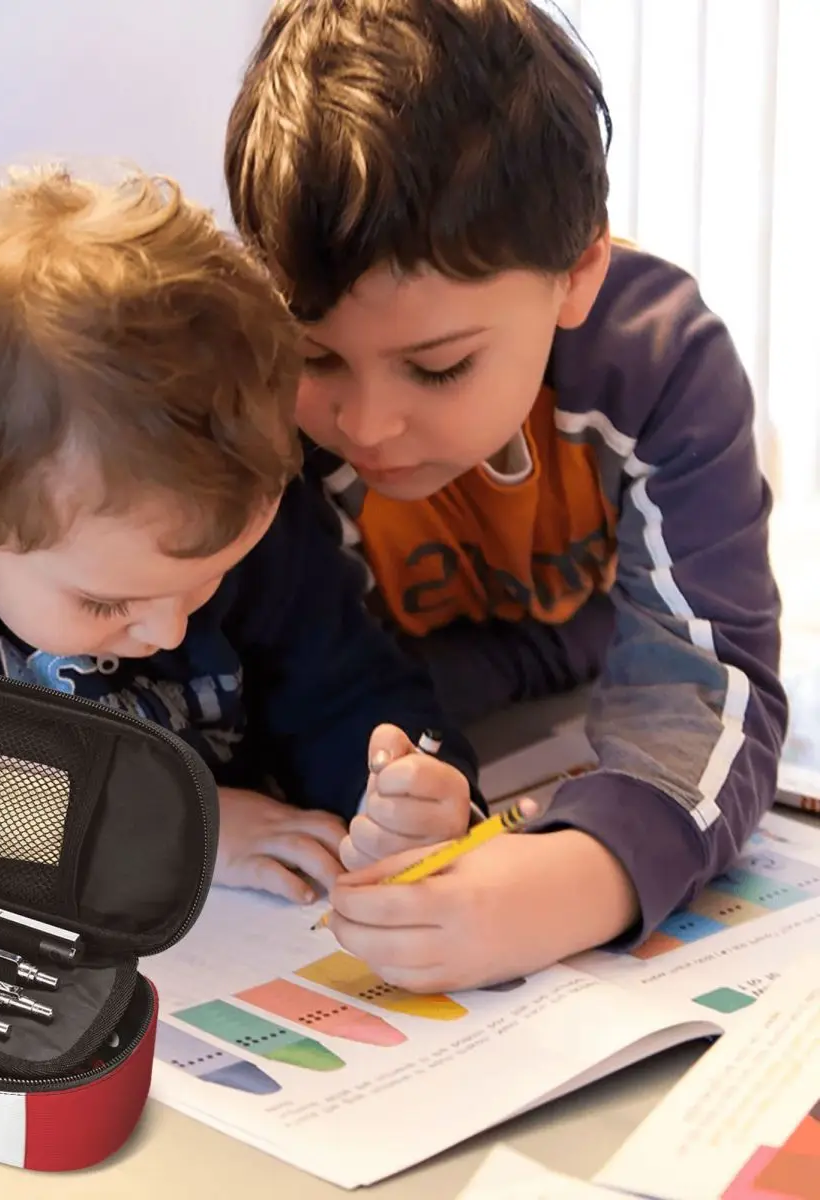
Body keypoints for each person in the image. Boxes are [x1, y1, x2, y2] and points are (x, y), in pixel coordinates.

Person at [0, 165, 483, 905]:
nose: (169, 625)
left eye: (208, 580)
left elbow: (338, 682)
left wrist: (401, 792)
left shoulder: (225, 484)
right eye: (104, 604)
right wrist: (183, 832)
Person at [224, 0, 787, 989]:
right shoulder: (254, 398)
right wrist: (400, 787)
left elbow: (710, 681)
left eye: (437, 369)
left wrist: (589, 875)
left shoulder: (662, 364)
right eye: (315, 355)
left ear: (577, 274)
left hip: (585, 695)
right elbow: (295, 695)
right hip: (455, 723)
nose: (365, 425)